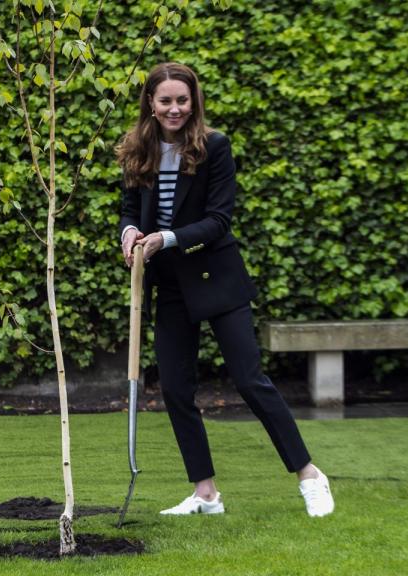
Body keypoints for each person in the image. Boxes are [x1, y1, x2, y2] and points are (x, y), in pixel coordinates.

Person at [116, 62, 334, 517]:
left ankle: (310, 475)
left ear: (193, 101)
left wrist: (166, 238)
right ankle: (206, 493)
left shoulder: (214, 147)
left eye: (182, 99)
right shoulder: (139, 149)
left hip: (217, 279)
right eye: (165, 101)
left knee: (250, 380)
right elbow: (128, 208)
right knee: (176, 389)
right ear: (151, 105)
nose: (174, 108)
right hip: (170, 285)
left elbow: (219, 221)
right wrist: (131, 232)